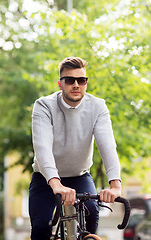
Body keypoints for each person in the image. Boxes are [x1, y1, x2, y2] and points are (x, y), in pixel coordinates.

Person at [29, 56, 122, 240]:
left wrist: (115, 185)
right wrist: (56, 184)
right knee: (41, 227)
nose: (76, 85)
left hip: (80, 176)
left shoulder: (98, 107)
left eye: (82, 80)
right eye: (70, 80)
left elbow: (108, 146)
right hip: (46, 179)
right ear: (60, 84)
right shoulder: (43, 106)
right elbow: (42, 149)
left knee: (91, 217)